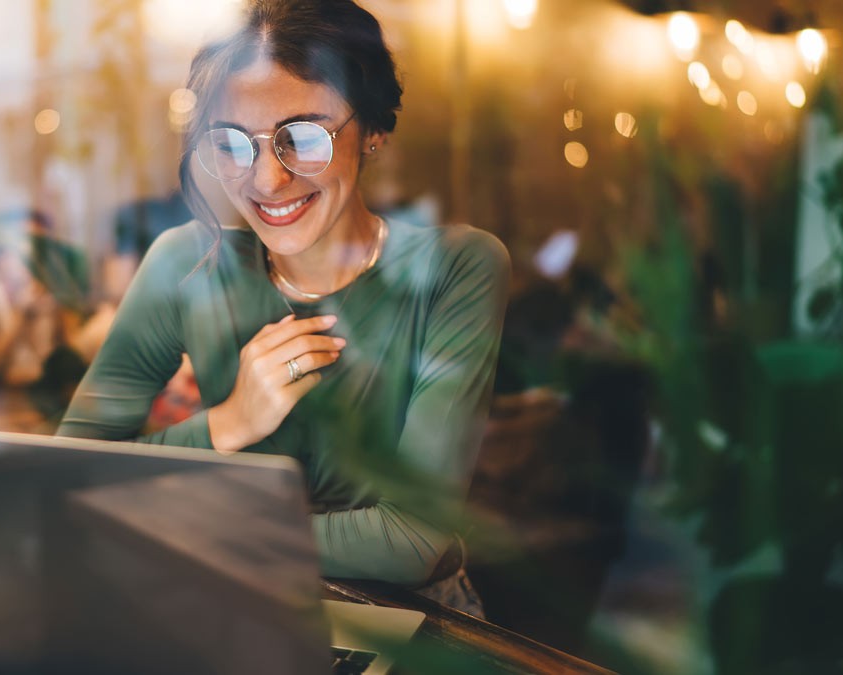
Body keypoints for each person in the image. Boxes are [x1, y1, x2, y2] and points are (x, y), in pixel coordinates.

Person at [57, 0, 509, 614]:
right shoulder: (183, 265)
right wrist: (229, 423)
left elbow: (409, 542)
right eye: (232, 143)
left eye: (304, 137)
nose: (267, 180)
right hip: (227, 607)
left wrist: (183, 522)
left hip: (408, 623)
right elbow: (72, 480)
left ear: (373, 129)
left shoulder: (456, 267)